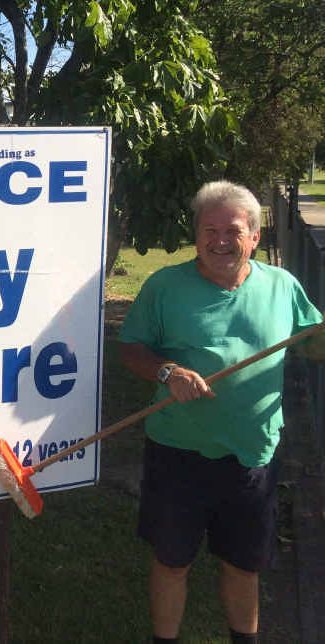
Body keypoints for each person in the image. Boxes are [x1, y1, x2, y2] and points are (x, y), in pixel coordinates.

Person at [117, 180, 324, 644]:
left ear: (254, 235)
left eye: (233, 229)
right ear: (196, 235)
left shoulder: (283, 286)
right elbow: (131, 348)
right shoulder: (165, 286)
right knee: (172, 562)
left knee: (244, 565)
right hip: (177, 454)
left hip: (252, 456)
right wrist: (168, 371)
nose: (220, 240)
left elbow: (314, 344)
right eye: (209, 229)